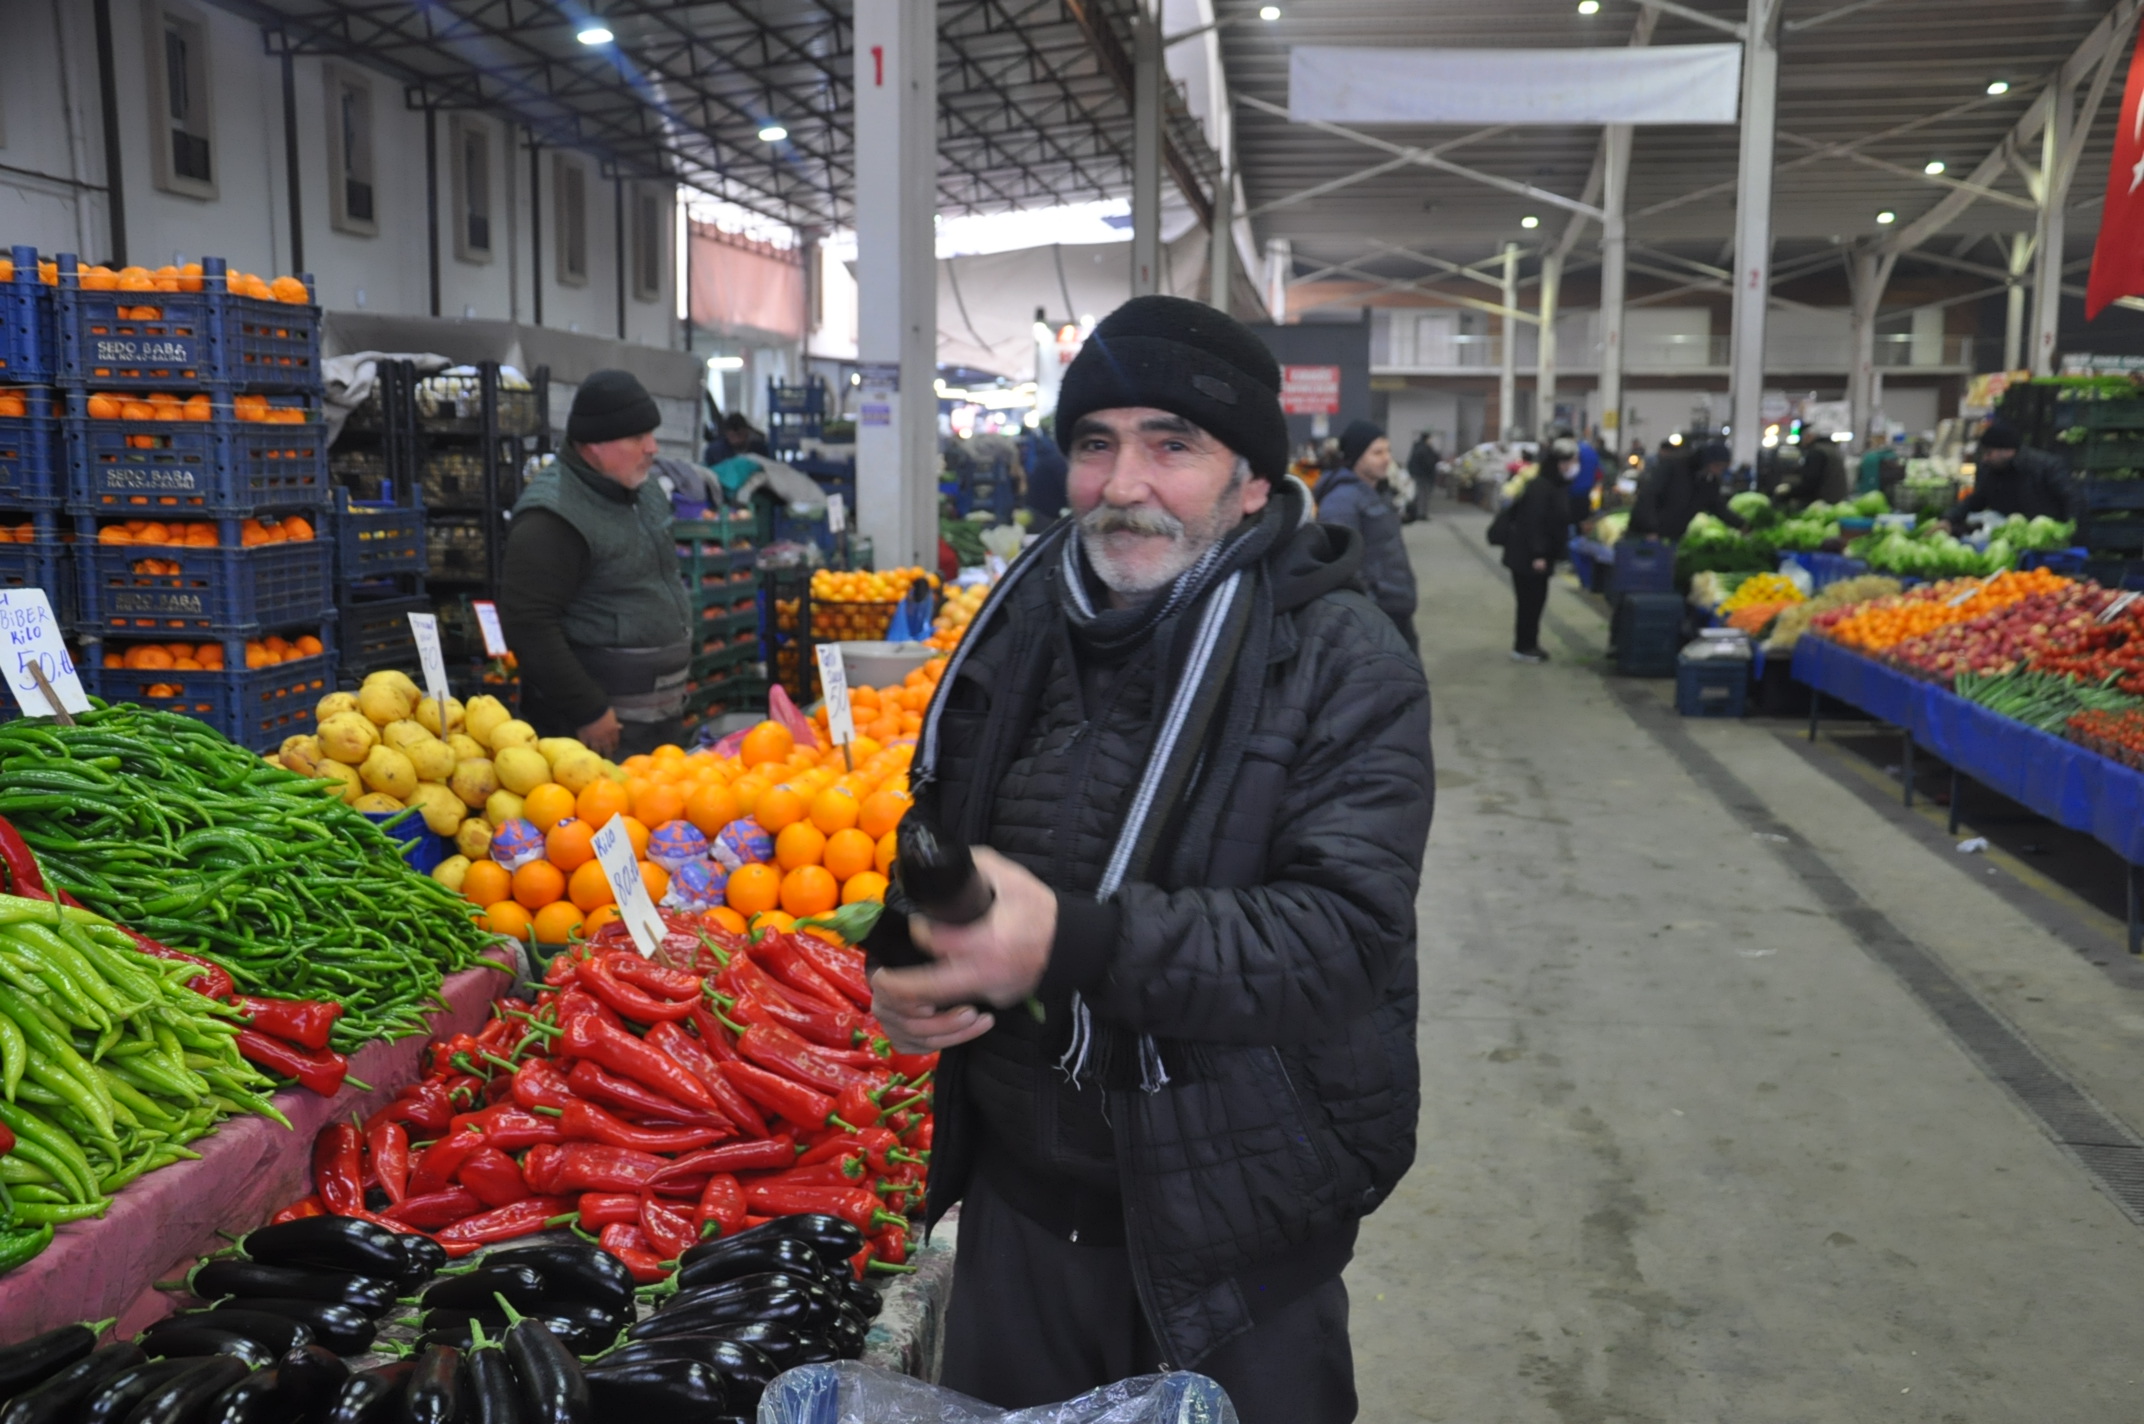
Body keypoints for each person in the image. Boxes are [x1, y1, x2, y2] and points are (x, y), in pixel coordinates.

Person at [865, 294, 1431, 1424]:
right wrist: (902, 960)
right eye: (1094, 442)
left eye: (1171, 443)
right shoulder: (1015, 627)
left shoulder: (1340, 658)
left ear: (1252, 481)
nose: (1123, 483)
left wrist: (1070, 941)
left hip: (1239, 1235)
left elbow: (1341, 937)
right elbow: (938, 839)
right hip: (1018, 1213)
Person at [498, 370, 692, 757]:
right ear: (593, 445)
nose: (652, 447)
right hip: (598, 733)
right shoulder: (551, 518)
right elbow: (528, 623)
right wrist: (588, 708)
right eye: (637, 438)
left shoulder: (642, 490)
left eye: (651, 434)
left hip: (659, 720)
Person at [1313, 419, 1420, 650]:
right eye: (1377, 452)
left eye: (1388, 450)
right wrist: (1370, 610)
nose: (1387, 458)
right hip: (1376, 617)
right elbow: (1343, 567)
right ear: (1356, 455)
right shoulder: (1341, 501)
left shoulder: (1374, 492)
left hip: (1396, 609)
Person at [1491, 437, 1575, 663]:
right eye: (1566, 463)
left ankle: (1530, 644)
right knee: (1529, 603)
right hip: (1528, 557)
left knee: (1535, 603)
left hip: (1537, 555)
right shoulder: (1541, 487)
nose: (1569, 467)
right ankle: (1523, 646)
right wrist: (1538, 554)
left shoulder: (1553, 485)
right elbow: (1534, 522)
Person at [1942, 419, 2081, 529]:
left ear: (2008, 451)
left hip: (2045, 541)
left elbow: (2073, 499)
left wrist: (2070, 535)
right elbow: (1977, 499)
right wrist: (1949, 518)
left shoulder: (2047, 467)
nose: (1985, 458)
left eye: (1989, 452)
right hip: (2014, 536)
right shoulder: (1990, 470)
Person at [1630, 440, 1746, 540]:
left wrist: (1741, 525)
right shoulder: (1674, 467)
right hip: (1645, 535)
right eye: (1718, 466)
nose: (1719, 471)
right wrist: (1649, 529)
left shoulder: (1708, 482)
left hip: (1673, 536)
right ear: (1708, 461)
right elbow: (1649, 496)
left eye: (1723, 467)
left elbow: (1717, 506)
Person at [1022, 425, 1070, 527]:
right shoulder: (1058, 460)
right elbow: (1065, 487)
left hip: (1036, 509)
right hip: (1046, 514)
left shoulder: (1049, 458)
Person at [1405, 431, 1442, 519]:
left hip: (1418, 474)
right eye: (1431, 439)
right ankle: (1421, 514)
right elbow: (1429, 462)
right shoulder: (1424, 449)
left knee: (1419, 495)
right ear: (1427, 439)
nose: (1432, 441)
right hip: (1423, 476)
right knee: (1423, 495)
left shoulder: (1418, 447)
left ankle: (1416, 512)